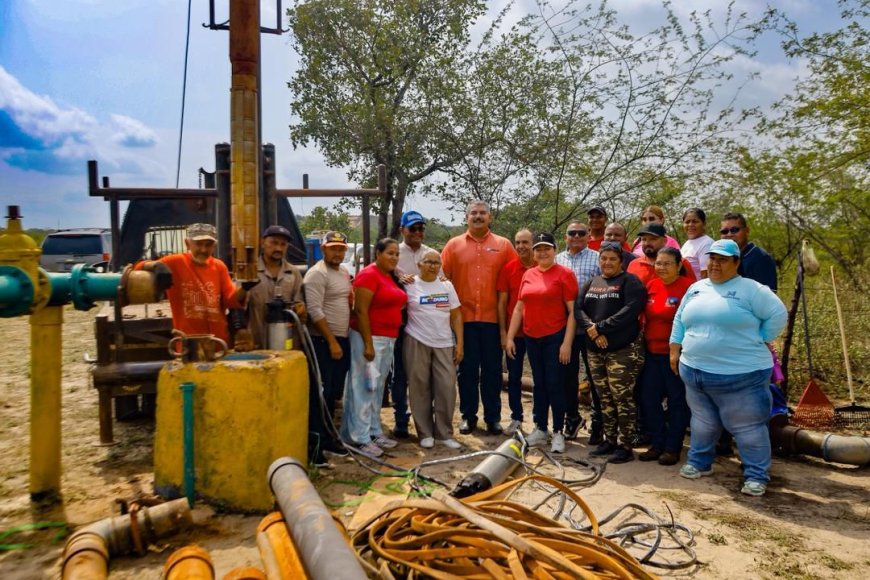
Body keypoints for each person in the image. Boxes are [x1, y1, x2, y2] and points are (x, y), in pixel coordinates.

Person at [670, 239, 787, 497]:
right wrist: (675, 346)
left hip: (740, 375)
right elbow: (680, 317)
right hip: (696, 371)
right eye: (712, 258)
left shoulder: (752, 290)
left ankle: (756, 474)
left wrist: (759, 337)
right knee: (702, 421)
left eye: (722, 259)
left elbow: (778, 315)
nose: (715, 264)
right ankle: (700, 463)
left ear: (736, 262)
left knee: (747, 427)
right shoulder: (697, 287)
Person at [441, 200, 517, 435]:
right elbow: (442, 279)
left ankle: (493, 417)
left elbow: (514, 277)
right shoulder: (453, 246)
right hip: (463, 321)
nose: (478, 216)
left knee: (493, 370)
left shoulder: (503, 245)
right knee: (467, 370)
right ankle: (468, 416)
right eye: (473, 213)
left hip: (493, 320)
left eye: (482, 213)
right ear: (466, 218)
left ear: (490, 217)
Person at [506, 233, 578, 454]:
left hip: (554, 337)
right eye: (538, 249)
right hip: (531, 337)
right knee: (539, 384)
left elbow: (573, 312)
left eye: (547, 248)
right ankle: (540, 428)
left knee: (555, 384)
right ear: (534, 253)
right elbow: (520, 307)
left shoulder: (565, 274)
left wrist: (567, 343)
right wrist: (510, 336)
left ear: (554, 250)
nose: (542, 252)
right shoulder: (529, 274)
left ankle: (558, 431)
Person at [576, 242, 647, 463]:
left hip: (623, 351)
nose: (607, 262)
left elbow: (630, 310)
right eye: (603, 258)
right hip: (595, 350)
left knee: (622, 397)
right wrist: (592, 330)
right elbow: (578, 308)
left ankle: (625, 445)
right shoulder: (592, 282)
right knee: (603, 397)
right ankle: (610, 440)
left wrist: (601, 327)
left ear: (621, 261)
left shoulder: (629, 282)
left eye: (612, 259)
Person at [341, 238, 407, 457]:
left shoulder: (390, 276)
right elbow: (360, 311)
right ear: (377, 253)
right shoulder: (368, 275)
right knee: (363, 387)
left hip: (387, 339)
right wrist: (368, 344)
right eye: (390, 253)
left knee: (377, 387)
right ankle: (357, 438)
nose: (394, 258)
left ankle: (373, 430)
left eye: (397, 254)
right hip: (369, 340)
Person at [137, 223, 246, 344]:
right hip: (188, 343)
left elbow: (230, 300)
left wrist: (245, 289)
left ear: (214, 246)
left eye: (208, 245)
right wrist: (155, 265)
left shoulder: (219, 267)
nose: (203, 250)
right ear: (187, 243)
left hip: (218, 342)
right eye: (199, 244)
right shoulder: (175, 262)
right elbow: (137, 268)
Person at [637, 247, 693, 466]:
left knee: (677, 401)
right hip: (651, 353)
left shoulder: (689, 288)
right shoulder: (651, 286)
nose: (661, 267)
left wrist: (677, 351)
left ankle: (672, 447)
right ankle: (657, 443)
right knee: (648, 399)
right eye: (658, 263)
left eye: (667, 263)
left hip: (677, 355)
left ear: (679, 265)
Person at [403, 249, 464, 449]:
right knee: (419, 387)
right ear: (419, 264)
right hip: (417, 340)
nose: (433, 266)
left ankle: (444, 433)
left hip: (444, 342)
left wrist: (460, 343)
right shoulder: (410, 285)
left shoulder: (446, 285)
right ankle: (425, 433)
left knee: (446, 387)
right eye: (428, 262)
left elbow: (456, 315)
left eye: (437, 263)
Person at [389, 210, 434, 438]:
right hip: (401, 318)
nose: (417, 233)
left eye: (421, 228)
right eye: (412, 228)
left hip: (427, 320)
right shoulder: (394, 253)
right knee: (401, 371)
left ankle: (426, 418)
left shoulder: (432, 254)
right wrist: (397, 277)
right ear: (402, 230)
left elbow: (440, 286)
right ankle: (400, 419)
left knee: (426, 371)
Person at [555, 222, 601, 441]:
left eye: (581, 233)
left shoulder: (598, 258)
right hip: (565, 329)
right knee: (567, 376)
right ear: (565, 237)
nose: (576, 236)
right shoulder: (557, 260)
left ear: (588, 235)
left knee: (595, 377)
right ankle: (572, 418)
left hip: (592, 327)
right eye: (571, 233)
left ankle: (598, 425)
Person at [303, 230, 353, 420]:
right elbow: (314, 311)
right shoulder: (317, 274)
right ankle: (322, 438)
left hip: (342, 338)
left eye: (341, 250)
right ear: (323, 249)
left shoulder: (343, 272)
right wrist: (332, 342)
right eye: (333, 249)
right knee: (324, 391)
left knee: (335, 391)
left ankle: (331, 431)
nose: (338, 254)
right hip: (323, 341)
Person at [234, 225, 305, 351]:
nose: (278, 248)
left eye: (283, 244)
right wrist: (244, 289)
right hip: (256, 345)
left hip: (286, 345)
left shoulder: (293, 273)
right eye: (274, 243)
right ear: (262, 243)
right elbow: (235, 304)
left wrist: (300, 310)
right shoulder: (249, 271)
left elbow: (299, 306)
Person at [497, 229, 535, 435]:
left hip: (539, 334)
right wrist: (504, 333)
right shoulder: (509, 269)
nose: (521, 246)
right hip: (515, 335)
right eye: (517, 242)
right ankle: (516, 418)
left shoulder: (543, 267)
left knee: (542, 377)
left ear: (533, 243)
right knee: (514, 377)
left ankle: (540, 422)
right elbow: (502, 303)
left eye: (525, 242)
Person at [719, 212, 777, 291]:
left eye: (734, 230)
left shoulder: (760, 258)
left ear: (747, 231)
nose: (729, 234)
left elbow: (768, 297)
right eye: (724, 231)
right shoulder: (719, 258)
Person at [627, 223, 696, 287]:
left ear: (664, 241)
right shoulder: (634, 265)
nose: (647, 243)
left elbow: (694, 291)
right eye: (644, 239)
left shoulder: (680, 263)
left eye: (653, 239)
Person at [680, 208, 714, 279]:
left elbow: (706, 275)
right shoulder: (687, 243)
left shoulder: (706, 243)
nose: (690, 225)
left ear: (704, 224)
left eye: (695, 221)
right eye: (687, 222)